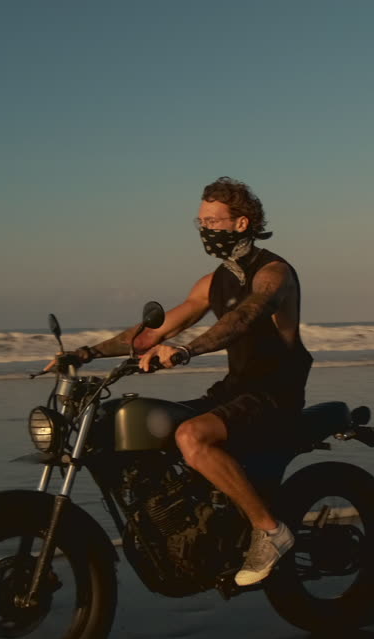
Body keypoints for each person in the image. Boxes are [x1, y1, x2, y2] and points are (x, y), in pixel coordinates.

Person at [44, 177, 314, 586]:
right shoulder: (212, 283)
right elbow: (153, 333)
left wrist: (187, 350)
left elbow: (243, 317)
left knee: (192, 436)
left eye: (212, 221)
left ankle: (270, 531)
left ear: (241, 223)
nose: (204, 229)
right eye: (200, 221)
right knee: (155, 427)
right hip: (234, 390)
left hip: (274, 393)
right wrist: (85, 354)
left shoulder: (274, 273)